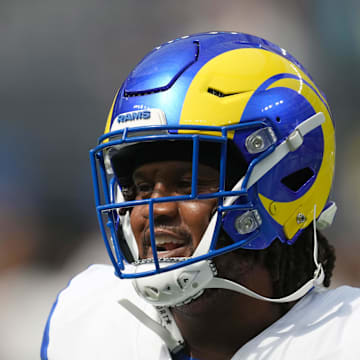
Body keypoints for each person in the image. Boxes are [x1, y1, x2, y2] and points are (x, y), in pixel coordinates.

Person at [41, 32, 360, 360]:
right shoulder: (86, 322)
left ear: (282, 184)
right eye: (142, 188)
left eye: (188, 183)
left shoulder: (346, 341)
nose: (154, 210)